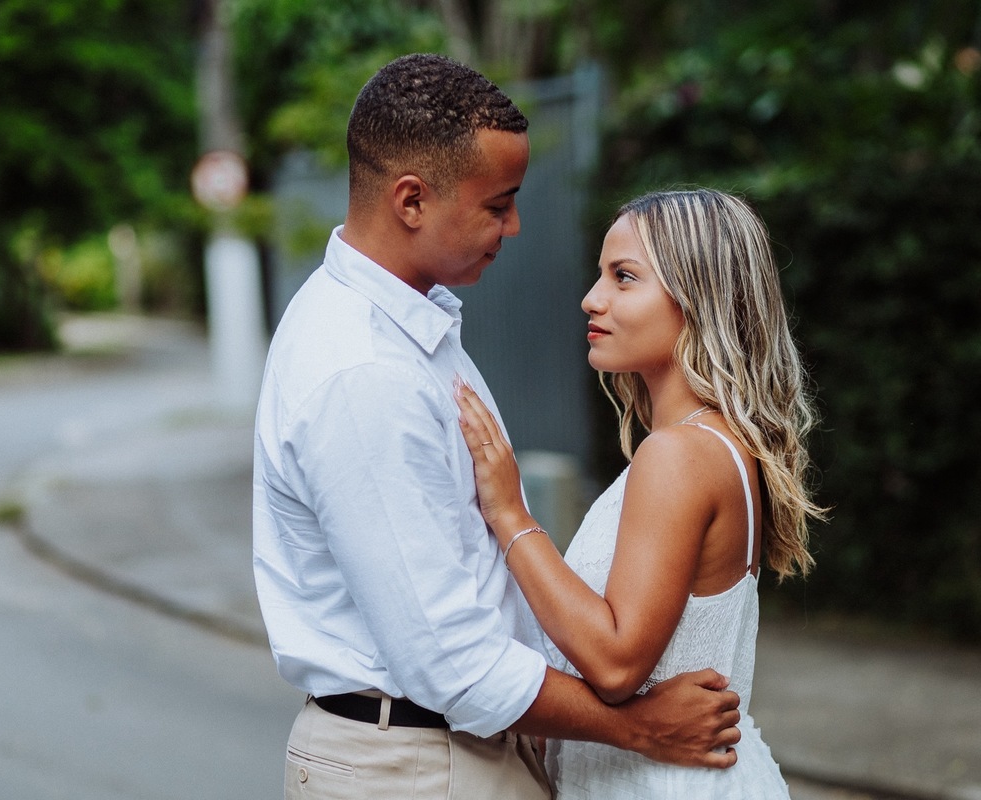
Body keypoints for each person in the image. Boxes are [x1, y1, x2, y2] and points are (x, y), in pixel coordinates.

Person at [252, 55, 742, 800]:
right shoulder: (364, 373)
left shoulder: (413, 332)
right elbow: (446, 658)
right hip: (415, 765)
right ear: (411, 200)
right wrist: (636, 727)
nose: (514, 225)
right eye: (498, 203)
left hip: (448, 750)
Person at [454, 187, 827, 798]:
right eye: (601, 274)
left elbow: (617, 661)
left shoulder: (679, 454)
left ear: (698, 300)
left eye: (624, 278)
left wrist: (510, 513)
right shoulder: (713, 445)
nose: (591, 298)